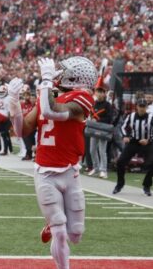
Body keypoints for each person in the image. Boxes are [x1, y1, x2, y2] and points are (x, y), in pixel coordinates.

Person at [8, 56, 98, 269]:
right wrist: (13, 103)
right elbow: (21, 131)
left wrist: (47, 80)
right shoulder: (46, 96)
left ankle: (54, 223)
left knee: (75, 234)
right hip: (45, 172)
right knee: (60, 232)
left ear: (76, 76)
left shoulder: (82, 98)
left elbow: (51, 111)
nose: (59, 72)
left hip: (70, 171)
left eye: (64, 70)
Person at [113, 98, 153, 196]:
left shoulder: (151, 117)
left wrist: (148, 140)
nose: (142, 109)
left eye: (144, 107)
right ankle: (120, 184)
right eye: (140, 106)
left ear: (146, 107)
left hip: (147, 142)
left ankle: (146, 185)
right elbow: (123, 127)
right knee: (120, 162)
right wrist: (125, 136)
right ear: (137, 107)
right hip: (134, 142)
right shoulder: (131, 116)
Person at [87, 84, 113, 178]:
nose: (99, 94)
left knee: (102, 150)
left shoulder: (108, 105)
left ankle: (103, 170)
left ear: (105, 93)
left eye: (102, 92)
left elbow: (109, 118)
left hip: (103, 130)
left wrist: (97, 120)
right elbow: (90, 114)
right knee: (92, 150)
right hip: (94, 129)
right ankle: (96, 168)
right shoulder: (93, 103)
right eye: (98, 91)